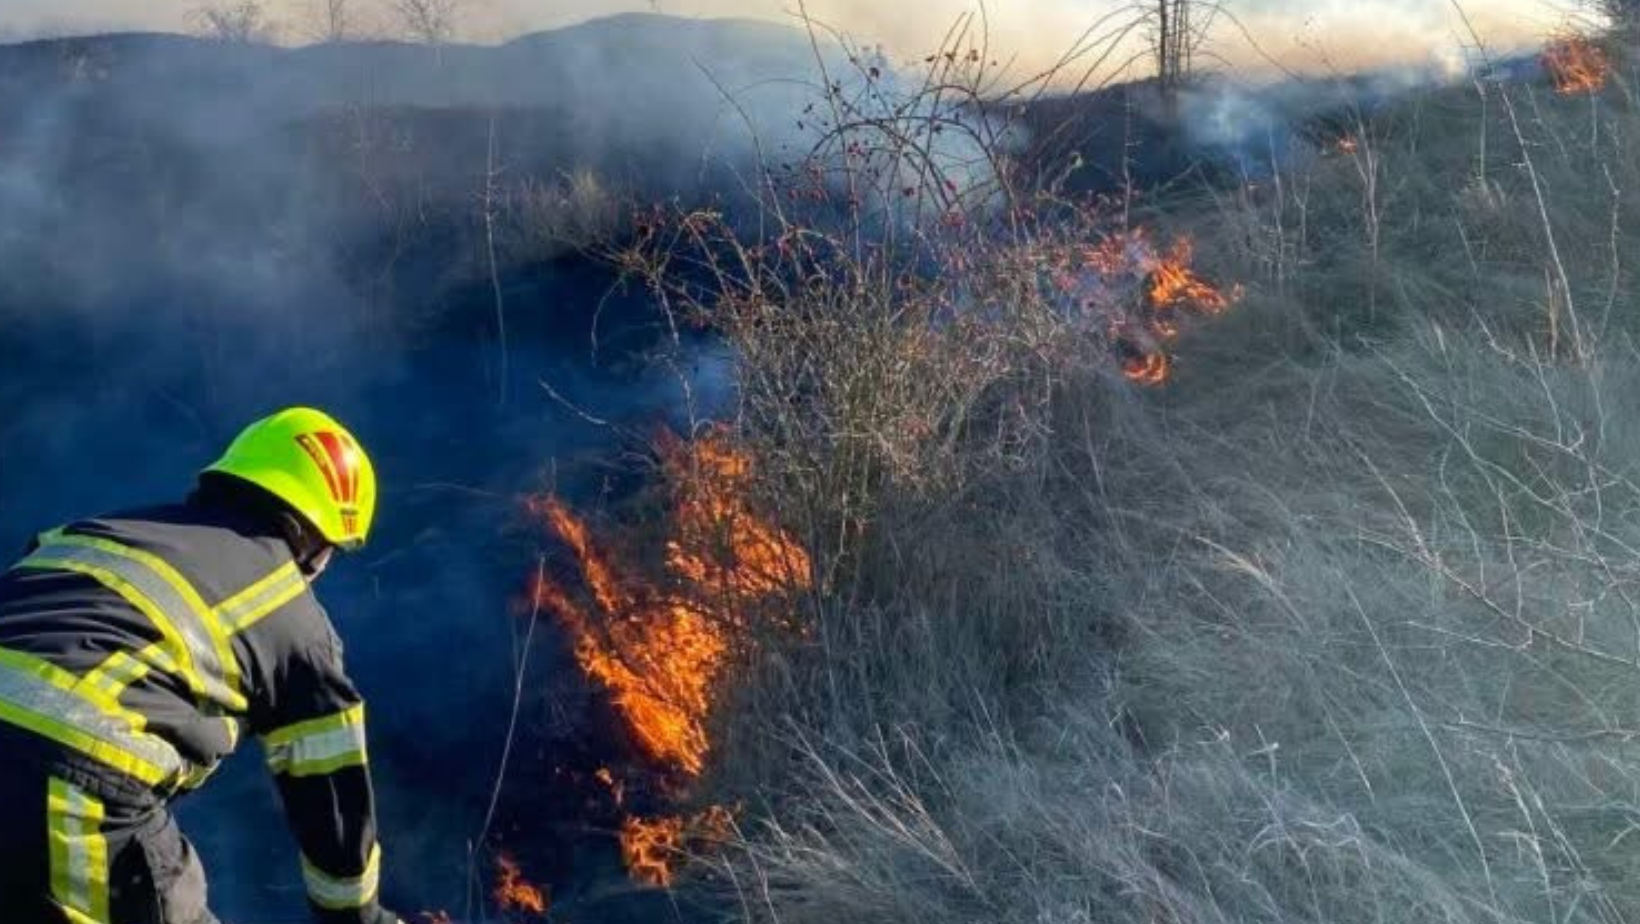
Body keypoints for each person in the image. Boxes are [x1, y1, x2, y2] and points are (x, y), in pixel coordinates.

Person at [0, 407, 404, 924]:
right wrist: (359, 916)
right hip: (75, 775)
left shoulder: (94, 532)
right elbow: (331, 794)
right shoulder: (291, 612)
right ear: (315, 542)